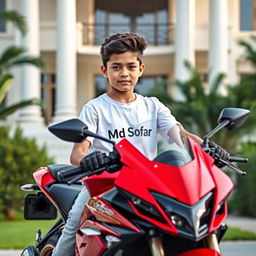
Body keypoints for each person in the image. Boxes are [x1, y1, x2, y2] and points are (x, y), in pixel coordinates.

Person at [52, 32, 228, 255]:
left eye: (130, 66)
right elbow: (77, 153)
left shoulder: (153, 106)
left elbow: (180, 135)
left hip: (145, 187)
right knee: (72, 228)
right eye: (116, 67)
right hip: (103, 186)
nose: (124, 73)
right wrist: (89, 159)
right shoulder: (94, 108)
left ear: (141, 69)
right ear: (104, 71)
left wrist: (206, 148)